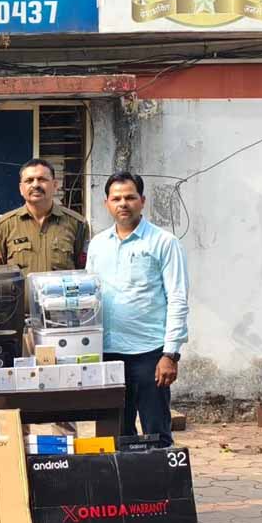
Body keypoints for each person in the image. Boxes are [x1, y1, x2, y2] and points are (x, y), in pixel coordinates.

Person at [86, 172, 189, 448]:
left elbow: (178, 299)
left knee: (157, 433)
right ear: (106, 203)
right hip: (108, 353)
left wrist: (170, 354)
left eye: (130, 197)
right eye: (116, 198)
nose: (123, 203)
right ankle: (122, 478)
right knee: (115, 434)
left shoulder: (164, 242)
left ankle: (160, 477)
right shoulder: (97, 244)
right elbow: (89, 296)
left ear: (142, 201)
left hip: (150, 354)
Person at [0, 158, 91, 288]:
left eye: (42, 179)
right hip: (20, 301)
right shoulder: (4, 225)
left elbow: (82, 272)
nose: (35, 185)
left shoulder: (77, 224)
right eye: (29, 180)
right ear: (21, 188)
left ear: (55, 185)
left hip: (60, 301)